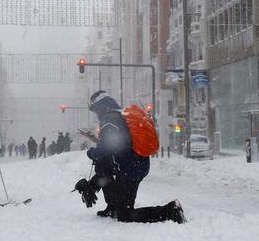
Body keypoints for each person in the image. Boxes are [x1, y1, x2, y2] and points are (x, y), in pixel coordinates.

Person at [74, 90, 185, 224]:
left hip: (130, 169)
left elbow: (107, 147)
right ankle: (113, 206)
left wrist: (92, 153)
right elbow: (116, 147)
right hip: (136, 165)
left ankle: (169, 211)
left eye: (95, 110)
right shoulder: (120, 115)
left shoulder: (109, 120)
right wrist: (93, 184)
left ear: (100, 107)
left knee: (125, 214)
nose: (96, 113)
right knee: (104, 167)